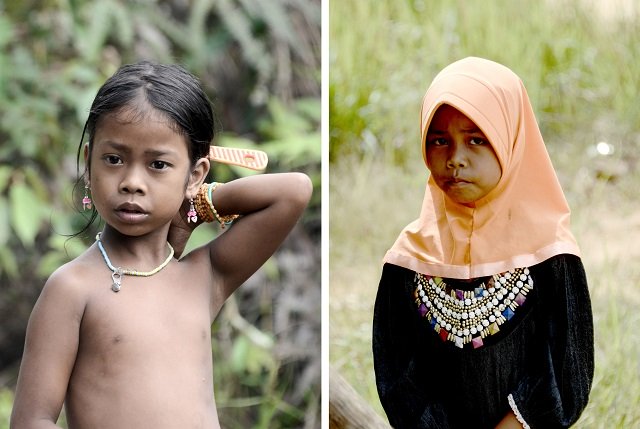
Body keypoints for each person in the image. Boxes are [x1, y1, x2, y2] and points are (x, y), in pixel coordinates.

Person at [10, 61, 312, 428]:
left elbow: (293, 192)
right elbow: (31, 419)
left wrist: (197, 206)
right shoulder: (72, 289)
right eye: (114, 159)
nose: (132, 182)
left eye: (158, 164)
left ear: (196, 174)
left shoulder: (204, 277)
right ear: (89, 164)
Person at [373, 57, 593, 429]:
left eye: (477, 140)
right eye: (439, 141)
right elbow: (397, 374)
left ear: (510, 139)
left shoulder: (551, 254)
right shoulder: (409, 259)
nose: (455, 159)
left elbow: (567, 371)